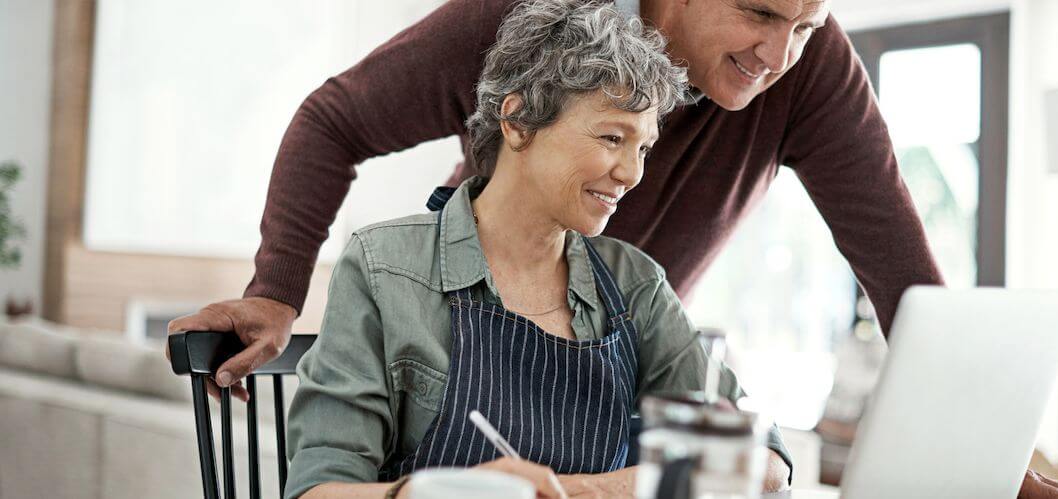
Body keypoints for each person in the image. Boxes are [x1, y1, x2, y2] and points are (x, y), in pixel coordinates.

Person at [167, 1, 1058, 497]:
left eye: (808, 24)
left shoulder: (640, 285)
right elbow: (336, 116)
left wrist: (995, 470)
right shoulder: (396, 273)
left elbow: (899, 273)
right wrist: (277, 288)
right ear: (520, 122)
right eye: (758, 15)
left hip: (625, 383)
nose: (781, 54)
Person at [282, 2, 788, 498]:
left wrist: (582, 491)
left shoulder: (635, 286)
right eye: (613, 137)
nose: (632, 174)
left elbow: (763, 463)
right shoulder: (385, 268)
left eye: (643, 149)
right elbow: (317, 490)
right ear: (518, 120)